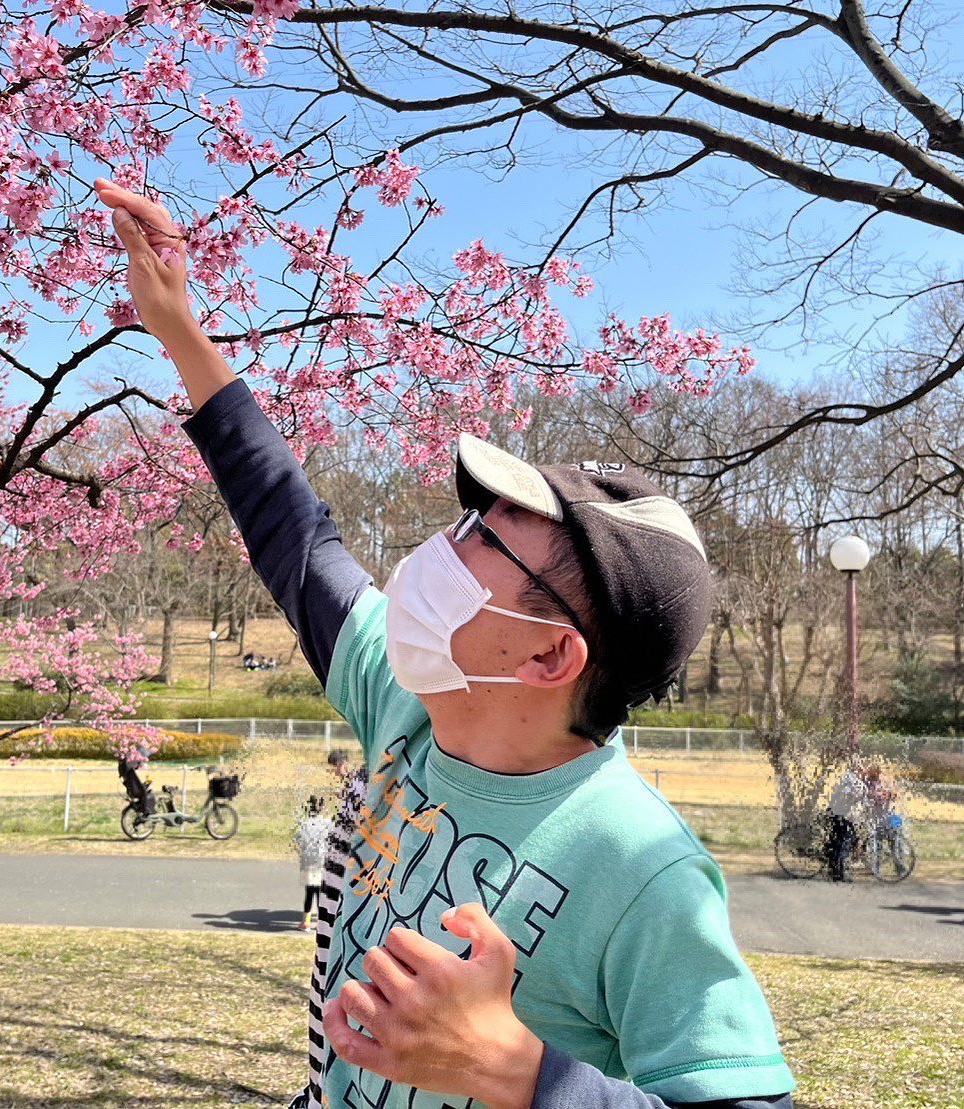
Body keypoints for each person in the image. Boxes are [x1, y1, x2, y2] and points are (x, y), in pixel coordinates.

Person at [95, 179, 795, 1109]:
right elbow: (294, 534)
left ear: (548, 656)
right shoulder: (408, 698)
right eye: (465, 521)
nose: (439, 549)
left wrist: (518, 1072)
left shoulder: (639, 865)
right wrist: (179, 328)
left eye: (484, 545)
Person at [294, 795, 335, 932]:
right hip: (322, 863)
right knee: (320, 894)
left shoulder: (305, 824)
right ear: (322, 808)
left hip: (308, 863)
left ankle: (305, 922)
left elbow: (299, 841)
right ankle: (320, 922)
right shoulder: (326, 823)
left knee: (309, 893)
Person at [825, 761, 871, 882]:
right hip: (843, 815)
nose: (864, 771)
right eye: (862, 768)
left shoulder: (848, 779)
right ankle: (841, 871)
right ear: (857, 769)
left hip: (837, 813)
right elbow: (849, 796)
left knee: (837, 842)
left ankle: (834, 870)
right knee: (846, 841)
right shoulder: (852, 781)